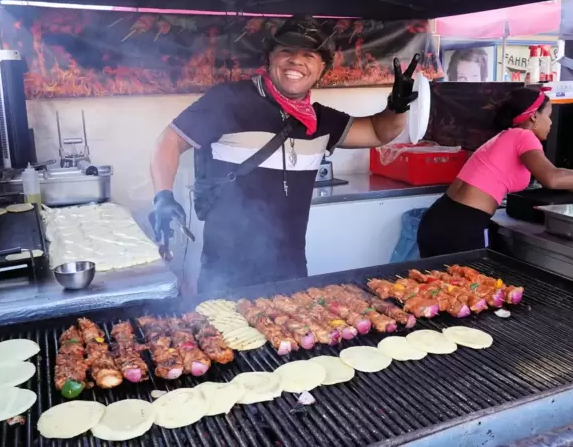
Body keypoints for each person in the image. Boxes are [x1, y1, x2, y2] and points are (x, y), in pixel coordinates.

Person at [149, 15, 421, 293]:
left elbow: (378, 132)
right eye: (286, 52)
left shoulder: (321, 121)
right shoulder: (229, 101)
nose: (296, 61)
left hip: (290, 268)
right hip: (226, 270)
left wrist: (397, 106)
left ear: (322, 67)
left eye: (308, 55)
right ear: (269, 59)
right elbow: (169, 142)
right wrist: (163, 197)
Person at [417, 87, 573, 258]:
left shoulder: (505, 137)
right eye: (548, 116)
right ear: (534, 116)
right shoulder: (524, 136)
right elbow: (552, 177)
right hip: (461, 228)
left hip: (438, 219)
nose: (550, 123)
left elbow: (551, 175)